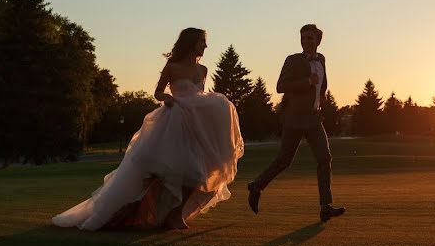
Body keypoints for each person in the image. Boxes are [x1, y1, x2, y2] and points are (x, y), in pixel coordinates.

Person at [52, 28, 243, 231]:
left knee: (197, 171)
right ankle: (128, 211)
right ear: (190, 43)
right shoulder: (173, 67)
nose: (205, 46)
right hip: (173, 121)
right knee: (157, 172)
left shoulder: (203, 70)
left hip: (193, 124)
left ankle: (176, 215)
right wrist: (167, 98)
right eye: (201, 42)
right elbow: (158, 92)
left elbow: (199, 96)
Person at [247, 24, 345, 222]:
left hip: (314, 119)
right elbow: (280, 86)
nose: (306, 41)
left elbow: (322, 84)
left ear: (318, 41)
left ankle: (326, 207)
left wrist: (320, 98)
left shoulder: (322, 59)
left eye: (310, 38)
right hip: (294, 118)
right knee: (284, 160)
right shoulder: (292, 60)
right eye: (303, 38)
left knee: (324, 158)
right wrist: (307, 82)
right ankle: (257, 186)